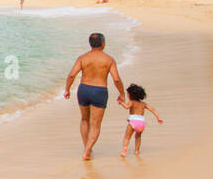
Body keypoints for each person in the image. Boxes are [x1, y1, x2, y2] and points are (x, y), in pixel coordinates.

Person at [63, 32, 125, 160]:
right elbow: (117, 79)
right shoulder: (109, 59)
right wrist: (122, 93)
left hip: (84, 89)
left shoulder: (83, 58)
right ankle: (87, 151)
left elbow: (71, 75)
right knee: (95, 123)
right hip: (100, 90)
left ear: (90, 44)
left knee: (84, 119)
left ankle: (87, 147)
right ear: (103, 43)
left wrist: (67, 89)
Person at [118, 84, 163, 156]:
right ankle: (137, 151)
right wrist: (158, 117)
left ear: (131, 95)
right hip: (141, 123)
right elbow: (152, 109)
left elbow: (126, 107)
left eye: (127, 94)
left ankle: (124, 151)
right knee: (138, 137)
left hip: (133, 121)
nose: (127, 96)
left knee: (127, 137)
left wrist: (121, 102)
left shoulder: (132, 102)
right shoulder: (143, 104)